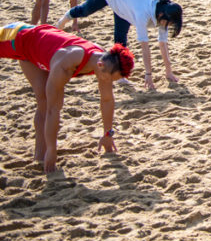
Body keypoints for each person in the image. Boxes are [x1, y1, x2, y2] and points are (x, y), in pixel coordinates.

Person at [1, 22, 135, 172]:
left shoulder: (106, 62)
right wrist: (52, 149)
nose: (108, 83)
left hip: (40, 49)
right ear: (100, 65)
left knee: (43, 102)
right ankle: (45, 153)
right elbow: (54, 110)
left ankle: (39, 158)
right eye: (109, 79)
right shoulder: (66, 64)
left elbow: (107, 99)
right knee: (47, 104)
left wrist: (107, 134)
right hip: (18, 37)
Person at [56, 0, 183, 92]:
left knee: (121, 38)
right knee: (85, 10)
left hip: (126, 3)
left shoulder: (164, 13)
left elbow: (162, 43)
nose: (169, 25)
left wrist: (168, 72)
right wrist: (148, 75)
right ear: (161, 15)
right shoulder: (142, 13)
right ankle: (63, 20)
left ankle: (119, 73)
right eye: (170, 23)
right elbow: (145, 47)